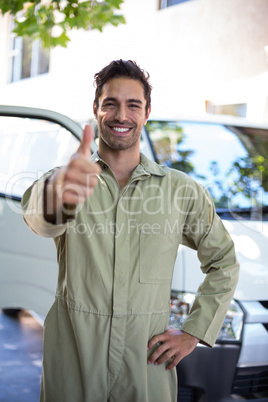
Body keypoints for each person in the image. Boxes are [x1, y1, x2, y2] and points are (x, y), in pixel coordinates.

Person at [21, 59, 239, 402]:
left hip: (146, 361)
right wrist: (59, 191)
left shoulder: (182, 191)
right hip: (74, 356)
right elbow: (37, 219)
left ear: (147, 112)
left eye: (133, 105)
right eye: (110, 104)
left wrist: (194, 331)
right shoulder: (69, 179)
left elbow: (224, 262)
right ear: (96, 110)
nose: (121, 115)